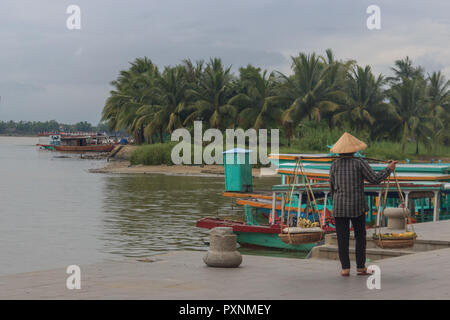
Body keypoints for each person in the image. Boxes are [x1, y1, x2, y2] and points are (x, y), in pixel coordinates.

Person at [329, 132, 397, 277]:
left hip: (339, 206)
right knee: (360, 236)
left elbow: (332, 187)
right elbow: (375, 179)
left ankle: (345, 268)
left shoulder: (334, 165)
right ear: (354, 150)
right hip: (356, 206)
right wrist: (388, 169)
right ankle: (360, 267)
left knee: (342, 237)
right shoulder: (359, 163)